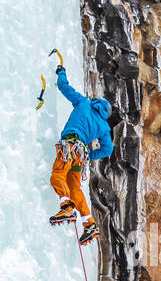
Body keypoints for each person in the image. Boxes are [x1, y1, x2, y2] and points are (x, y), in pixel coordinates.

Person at [49, 57, 118, 246]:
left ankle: (66, 206)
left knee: (57, 175)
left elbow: (65, 88)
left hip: (70, 145)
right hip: (80, 155)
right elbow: (108, 149)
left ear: (98, 102)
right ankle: (89, 223)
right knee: (75, 188)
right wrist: (90, 156)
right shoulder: (104, 127)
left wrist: (61, 72)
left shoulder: (84, 103)